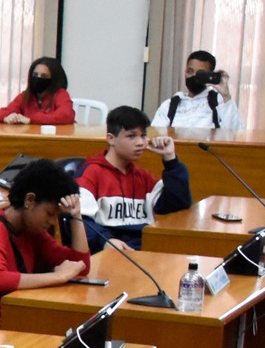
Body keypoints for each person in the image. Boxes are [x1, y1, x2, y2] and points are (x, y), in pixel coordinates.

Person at [0, 159, 92, 327]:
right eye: (49, 213)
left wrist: (76, 216)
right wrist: (58, 276)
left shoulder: (32, 231)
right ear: (29, 200)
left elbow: (80, 266)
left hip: (9, 319)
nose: (53, 222)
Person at [75, 106, 193, 250]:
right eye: (131, 136)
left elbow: (178, 202)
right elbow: (79, 221)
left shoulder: (142, 177)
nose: (140, 142)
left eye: (143, 135)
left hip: (143, 251)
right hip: (108, 252)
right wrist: (106, 240)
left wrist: (170, 160)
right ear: (111, 139)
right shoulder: (91, 174)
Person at [152, 50, 244, 131]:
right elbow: (155, 135)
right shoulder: (170, 105)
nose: (193, 76)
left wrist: (226, 95)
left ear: (209, 75)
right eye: (190, 71)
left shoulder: (220, 101)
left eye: (200, 73)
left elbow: (235, 134)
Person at [0, 56, 75, 125]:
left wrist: (31, 119)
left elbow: (66, 115)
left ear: (54, 79)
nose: (38, 78)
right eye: (35, 74)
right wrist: (7, 118)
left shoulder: (60, 94)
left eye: (44, 76)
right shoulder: (26, 96)